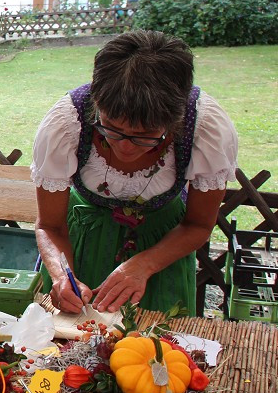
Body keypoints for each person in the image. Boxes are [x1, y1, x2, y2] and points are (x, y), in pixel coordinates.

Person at [31, 30, 238, 316]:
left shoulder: (206, 127)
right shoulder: (66, 123)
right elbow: (50, 226)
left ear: (174, 121)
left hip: (164, 252)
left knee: (155, 351)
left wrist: (144, 265)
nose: (125, 147)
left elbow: (199, 226)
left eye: (146, 135)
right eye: (111, 128)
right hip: (81, 245)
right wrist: (60, 274)